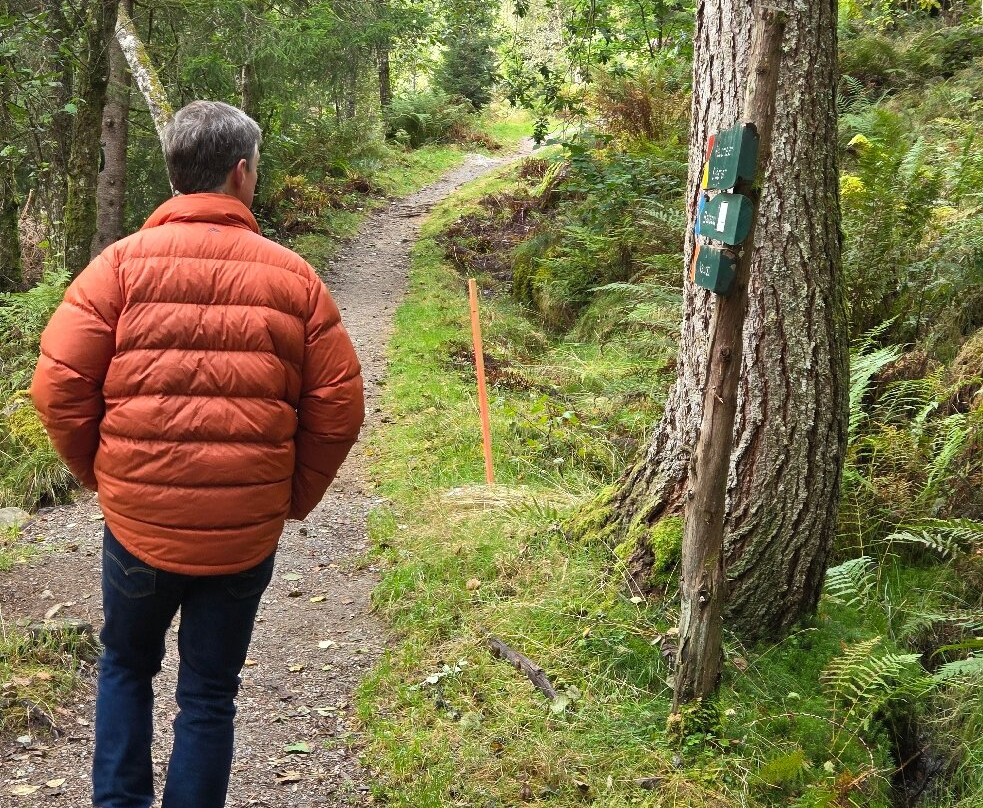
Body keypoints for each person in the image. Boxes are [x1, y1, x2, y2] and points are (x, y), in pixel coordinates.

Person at [30, 100, 364, 808]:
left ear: (177, 172)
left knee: (124, 667)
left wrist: (104, 474)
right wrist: (289, 496)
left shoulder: (115, 269)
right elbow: (337, 411)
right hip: (244, 533)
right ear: (241, 173)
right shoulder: (294, 279)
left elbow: (58, 387)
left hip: (137, 524)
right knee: (210, 693)